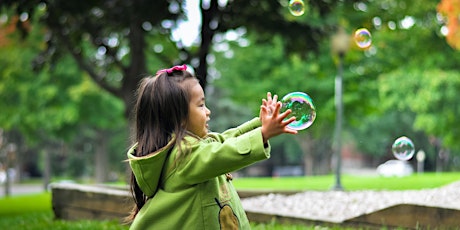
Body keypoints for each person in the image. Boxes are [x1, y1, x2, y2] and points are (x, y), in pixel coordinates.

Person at [126, 64, 298, 229]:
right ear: (179, 117)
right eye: (201, 105)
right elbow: (223, 152)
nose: (208, 111)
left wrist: (260, 125)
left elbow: (224, 140)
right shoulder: (183, 157)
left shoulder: (193, 148)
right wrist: (263, 134)